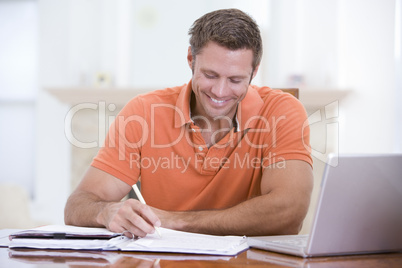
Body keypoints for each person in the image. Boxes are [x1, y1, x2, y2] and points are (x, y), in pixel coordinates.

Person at [64, 8, 313, 237]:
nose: (220, 91)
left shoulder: (282, 111)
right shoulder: (143, 112)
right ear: (191, 59)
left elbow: (289, 213)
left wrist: (176, 221)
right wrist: (105, 212)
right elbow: (78, 205)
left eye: (236, 80)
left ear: (254, 72)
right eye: (210, 75)